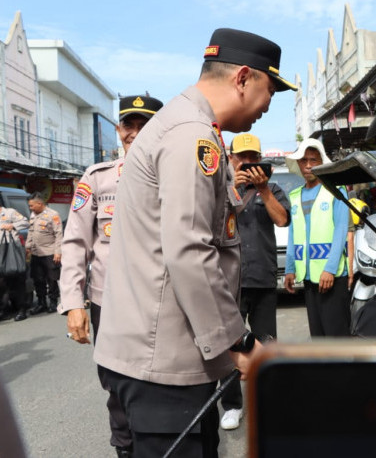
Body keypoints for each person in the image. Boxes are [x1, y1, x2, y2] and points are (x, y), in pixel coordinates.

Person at [93, 28, 296, 457]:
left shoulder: (186, 126)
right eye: (269, 91)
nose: (267, 107)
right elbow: (190, 249)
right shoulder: (193, 134)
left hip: (157, 357)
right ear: (243, 77)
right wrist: (237, 341)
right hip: (162, 366)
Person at [58, 94, 163, 457]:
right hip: (108, 302)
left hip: (161, 300)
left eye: (144, 125)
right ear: (119, 130)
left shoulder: (177, 175)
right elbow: (74, 243)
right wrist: (73, 302)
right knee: (116, 385)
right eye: (128, 126)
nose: (134, 133)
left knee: (160, 384)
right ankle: (126, 448)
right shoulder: (97, 179)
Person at [219, 133, 290, 431]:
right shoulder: (220, 189)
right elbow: (210, 224)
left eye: (253, 157)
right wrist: (232, 190)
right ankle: (232, 405)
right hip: (229, 283)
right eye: (242, 157)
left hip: (261, 278)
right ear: (232, 158)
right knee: (229, 347)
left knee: (266, 345)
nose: (248, 163)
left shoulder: (272, 188)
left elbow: (282, 220)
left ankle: (266, 402)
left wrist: (263, 190)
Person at [283, 138, 351, 337]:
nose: (309, 165)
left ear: (322, 162)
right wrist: (289, 268)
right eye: (304, 160)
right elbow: (292, 234)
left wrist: (329, 269)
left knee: (337, 338)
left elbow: (341, 232)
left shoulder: (336, 192)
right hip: (308, 278)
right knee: (319, 336)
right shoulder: (295, 195)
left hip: (332, 277)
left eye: (314, 160)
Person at [25, 192, 63, 314]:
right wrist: (28, 247)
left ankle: (52, 302)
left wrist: (58, 252)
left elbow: (58, 234)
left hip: (50, 252)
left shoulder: (53, 215)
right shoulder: (33, 215)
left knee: (51, 279)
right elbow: (31, 232)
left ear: (39, 203)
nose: (30, 208)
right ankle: (41, 303)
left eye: (32, 206)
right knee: (38, 279)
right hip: (36, 253)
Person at [0, 204, 29, 321]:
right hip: (0, 251)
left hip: (12, 249)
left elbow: (25, 222)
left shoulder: (9, 212)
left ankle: (22, 309)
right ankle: (3, 309)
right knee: (2, 282)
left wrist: (12, 225)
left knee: (17, 280)